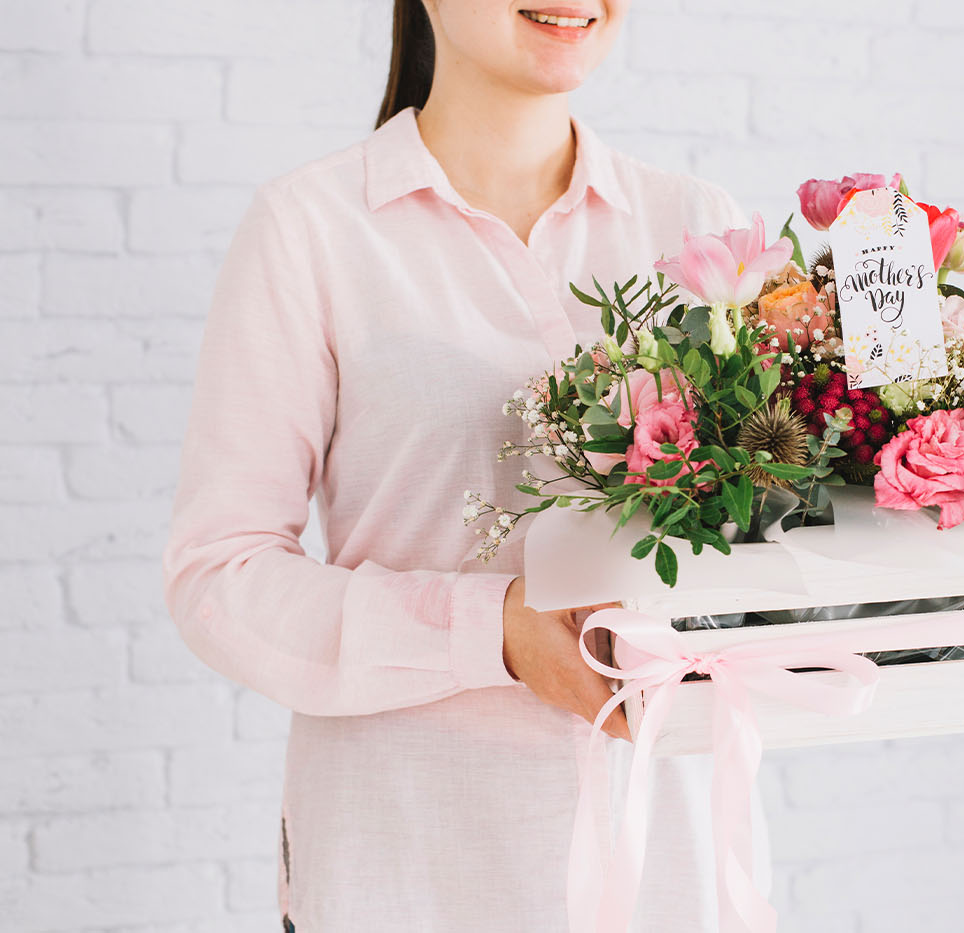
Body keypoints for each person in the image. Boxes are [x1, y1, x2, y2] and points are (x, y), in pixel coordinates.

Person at [160, 1, 770, 929]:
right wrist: (495, 631)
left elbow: (766, 542)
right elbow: (220, 576)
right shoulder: (312, 228)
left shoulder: (702, 230)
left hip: (663, 874)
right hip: (405, 867)